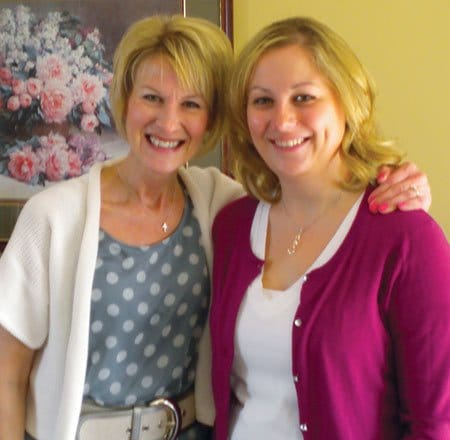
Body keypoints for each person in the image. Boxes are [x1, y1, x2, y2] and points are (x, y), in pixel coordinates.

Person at [0, 14, 432, 440]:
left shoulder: (220, 206)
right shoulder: (54, 217)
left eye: (191, 104)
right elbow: (6, 374)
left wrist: (401, 189)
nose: (169, 123)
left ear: (212, 119)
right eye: (152, 98)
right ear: (124, 101)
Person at [210, 17, 450, 440]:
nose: (282, 121)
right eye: (262, 101)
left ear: (347, 103)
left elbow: (434, 423)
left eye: (304, 97)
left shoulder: (407, 239)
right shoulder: (231, 226)